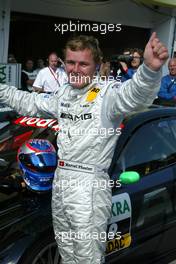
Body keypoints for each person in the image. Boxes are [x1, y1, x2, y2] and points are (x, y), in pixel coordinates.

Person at [0, 32, 168, 264]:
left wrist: (149, 70)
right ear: (63, 62)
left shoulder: (107, 95)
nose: (75, 69)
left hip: (88, 186)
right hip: (60, 182)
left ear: (96, 65)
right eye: (70, 62)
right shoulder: (63, 93)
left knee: (87, 258)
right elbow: (30, 102)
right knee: (67, 252)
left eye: (83, 63)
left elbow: (135, 96)